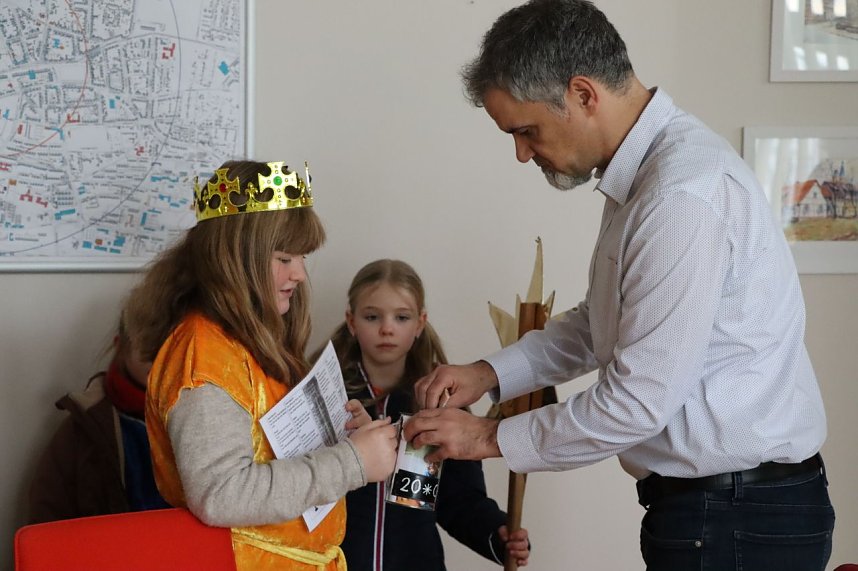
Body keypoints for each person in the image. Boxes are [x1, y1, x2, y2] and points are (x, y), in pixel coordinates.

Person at [404, 1, 835, 570]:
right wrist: (487, 375)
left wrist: (486, 438)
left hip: (735, 517)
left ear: (583, 94)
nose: (521, 153)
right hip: (723, 509)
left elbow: (635, 403)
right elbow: (600, 321)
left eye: (527, 131)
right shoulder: (646, 173)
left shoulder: (678, 194)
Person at [123, 160, 398, 571]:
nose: (301, 274)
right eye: (285, 257)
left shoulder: (247, 341)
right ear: (235, 260)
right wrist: (351, 462)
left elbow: (265, 444)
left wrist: (336, 434)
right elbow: (221, 493)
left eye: (302, 257)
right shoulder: (203, 358)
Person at [314, 259, 530, 570]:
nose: (387, 328)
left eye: (401, 317)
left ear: (420, 323)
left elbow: (460, 501)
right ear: (351, 321)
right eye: (372, 316)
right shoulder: (324, 395)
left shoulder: (438, 407)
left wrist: (496, 532)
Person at [27, 316, 169, 524]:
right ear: (121, 346)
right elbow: (46, 519)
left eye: (173, 347)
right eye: (149, 345)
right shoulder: (85, 425)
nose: (161, 357)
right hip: (105, 555)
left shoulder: (212, 418)